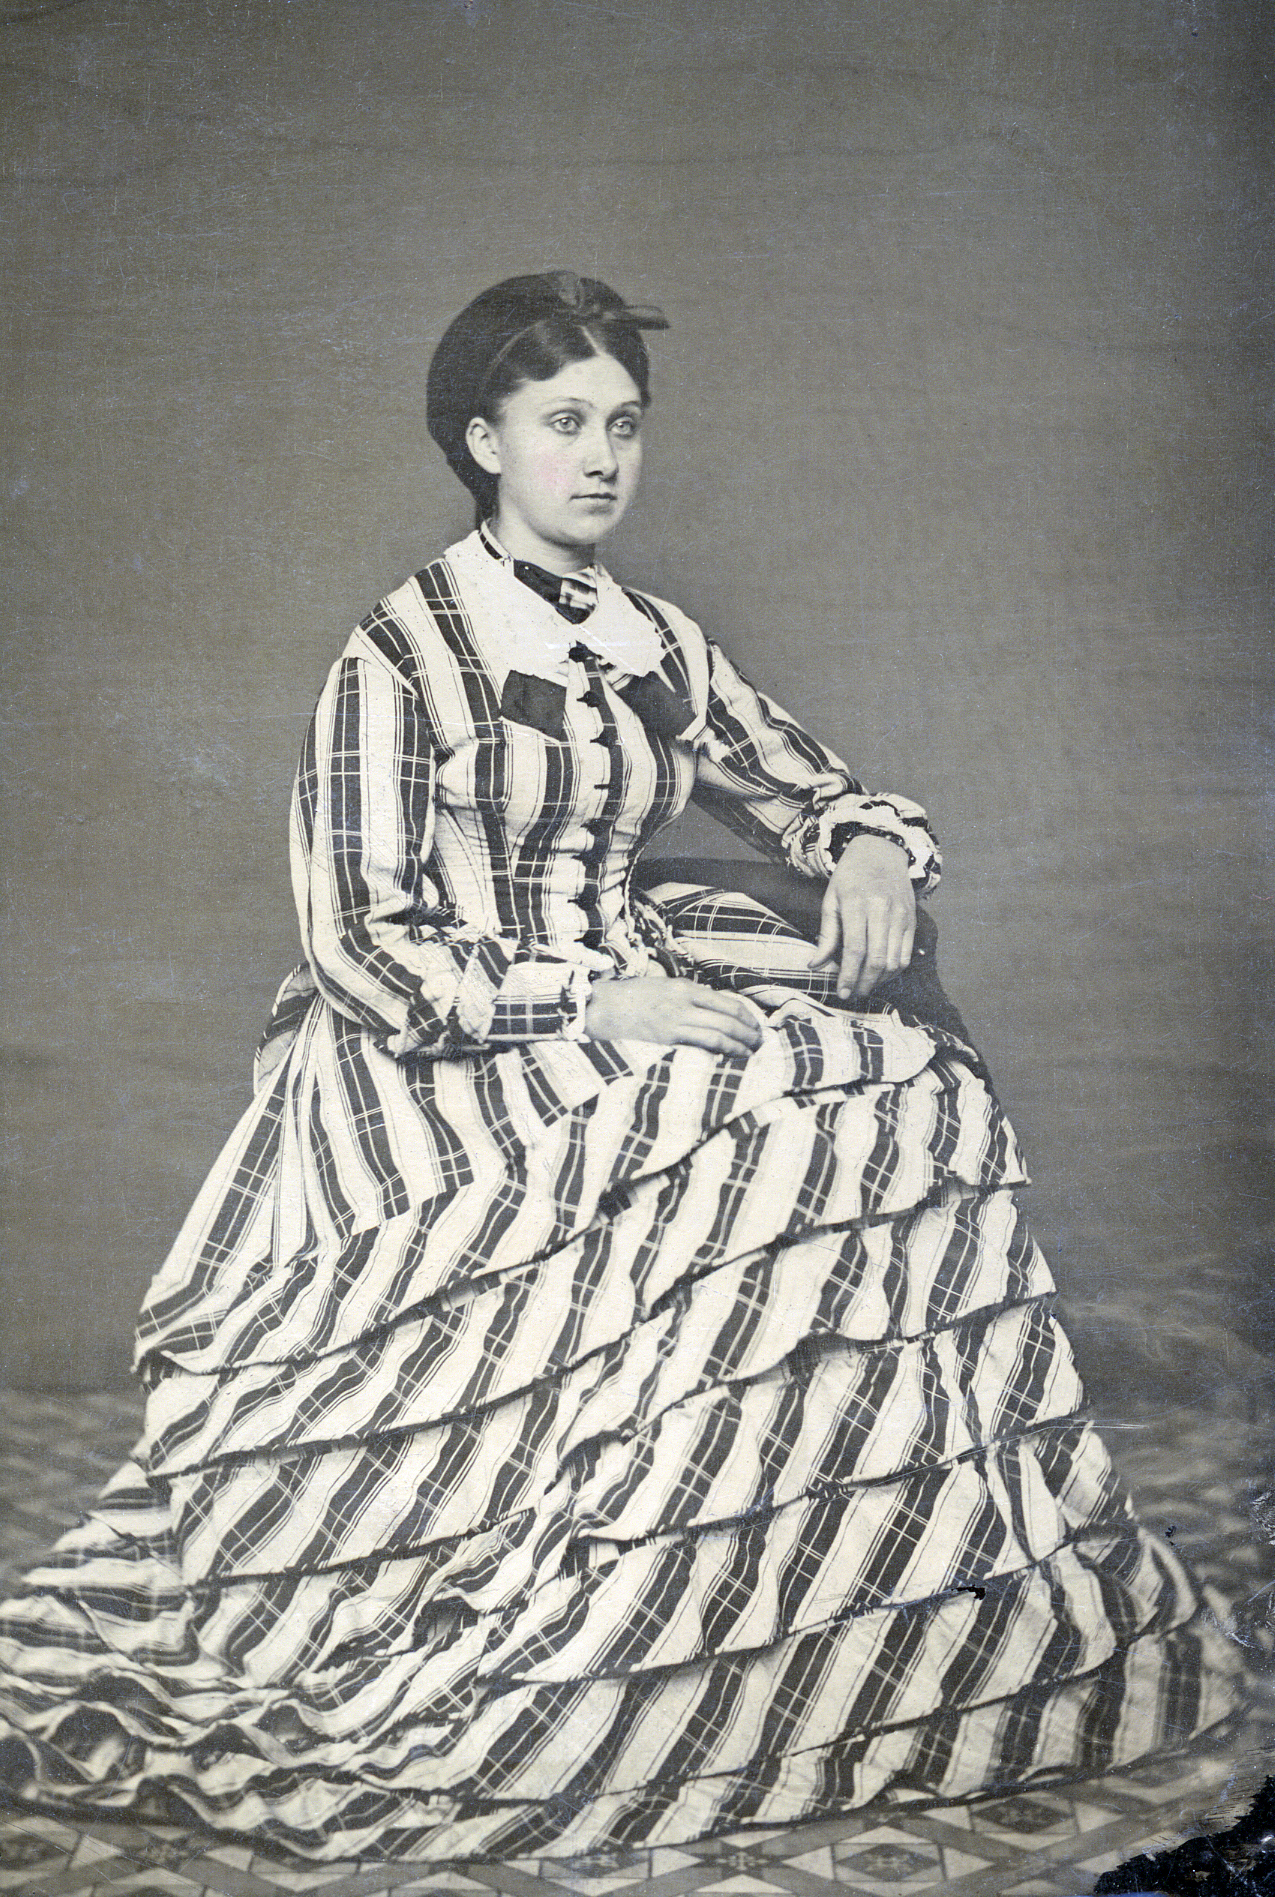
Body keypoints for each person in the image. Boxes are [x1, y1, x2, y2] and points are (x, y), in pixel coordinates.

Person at [0, 271, 1240, 1864]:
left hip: (634, 984)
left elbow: (803, 784)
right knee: (751, 1120)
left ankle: (804, 1621)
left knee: (900, 1091)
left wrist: (862, 848)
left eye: (624, 426)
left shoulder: (650, 639)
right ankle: (602, 1629)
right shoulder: (405, 652)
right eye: (563, 423)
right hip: (442, 1046)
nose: (601, 459)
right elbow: (365, 945)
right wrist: (590, 1006)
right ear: (483, 441)